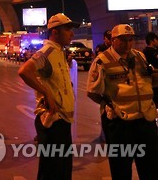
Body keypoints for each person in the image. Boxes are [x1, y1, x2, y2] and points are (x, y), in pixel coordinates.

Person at [87, 24, 158, 180]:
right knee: (121, 169)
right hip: (120, 124)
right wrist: (112, 106)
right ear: (113, 41)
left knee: (151, 167)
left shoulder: (140, 56)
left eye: (130, 40)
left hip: (146, 121)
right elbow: (92, 92)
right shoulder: (102, 61)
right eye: (122, 40)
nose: (127, 44)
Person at [18, 13, 79, 180]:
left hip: (63, 121)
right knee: (52, 171)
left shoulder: (60, 52)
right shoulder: (48, 51)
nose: (71, 33)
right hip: (53, 122)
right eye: (68, 29)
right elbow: (24, 71)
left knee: (62, 171)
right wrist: (46, 93)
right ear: (55, 32)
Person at [142, 31, 158, 105]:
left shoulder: (152, 51)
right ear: (152, 41)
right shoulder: (148, 52)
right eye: (156, 39)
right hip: (154, 80)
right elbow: (149, 67)